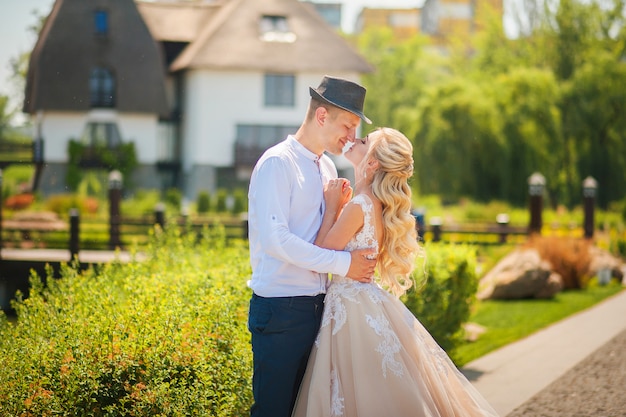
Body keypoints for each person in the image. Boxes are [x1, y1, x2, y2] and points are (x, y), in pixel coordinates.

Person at [292, 127, 500, 417]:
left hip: (351, 311)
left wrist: (330, 208)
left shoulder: (359, 205)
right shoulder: (375, 205)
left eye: (364, 141)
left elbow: (321, 252)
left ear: (373, 163)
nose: (356, 138)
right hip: (363, 301)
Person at [247, 75, 378, 417]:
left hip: (320, 310)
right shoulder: (278, 163)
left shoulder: (327, 167)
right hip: (280, 311)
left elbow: (324, 234)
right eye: (348, 126)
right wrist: (344, 264)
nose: (351, 137)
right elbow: (278, 241)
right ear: (322, 117)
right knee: (274, 411)